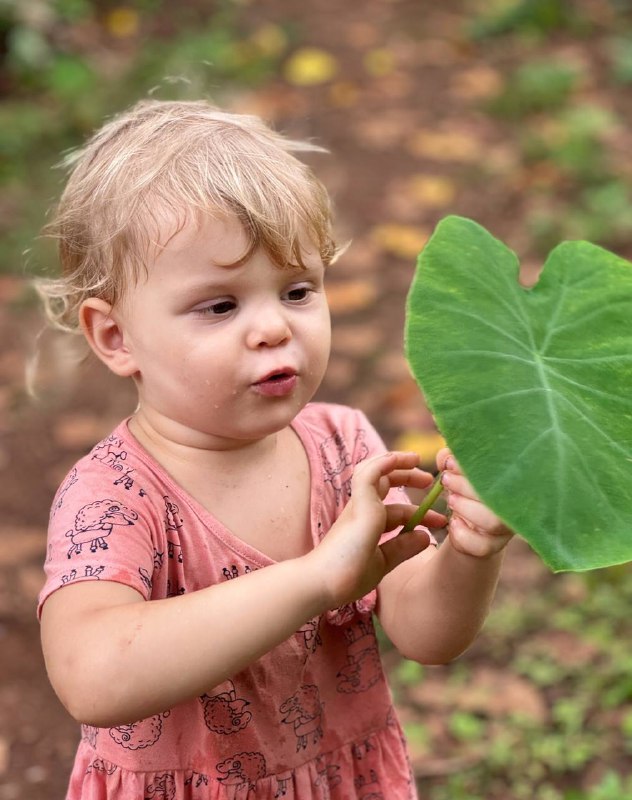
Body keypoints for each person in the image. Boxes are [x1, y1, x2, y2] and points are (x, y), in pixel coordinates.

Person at [36, 98, 514, 800]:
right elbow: (92, 674)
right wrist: (317, 580)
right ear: (115, 337)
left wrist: (471, 553)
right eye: (220, 306)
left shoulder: (344, 446)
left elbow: (424, 633)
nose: (271, 328)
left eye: (297, 290)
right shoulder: (112, 495)